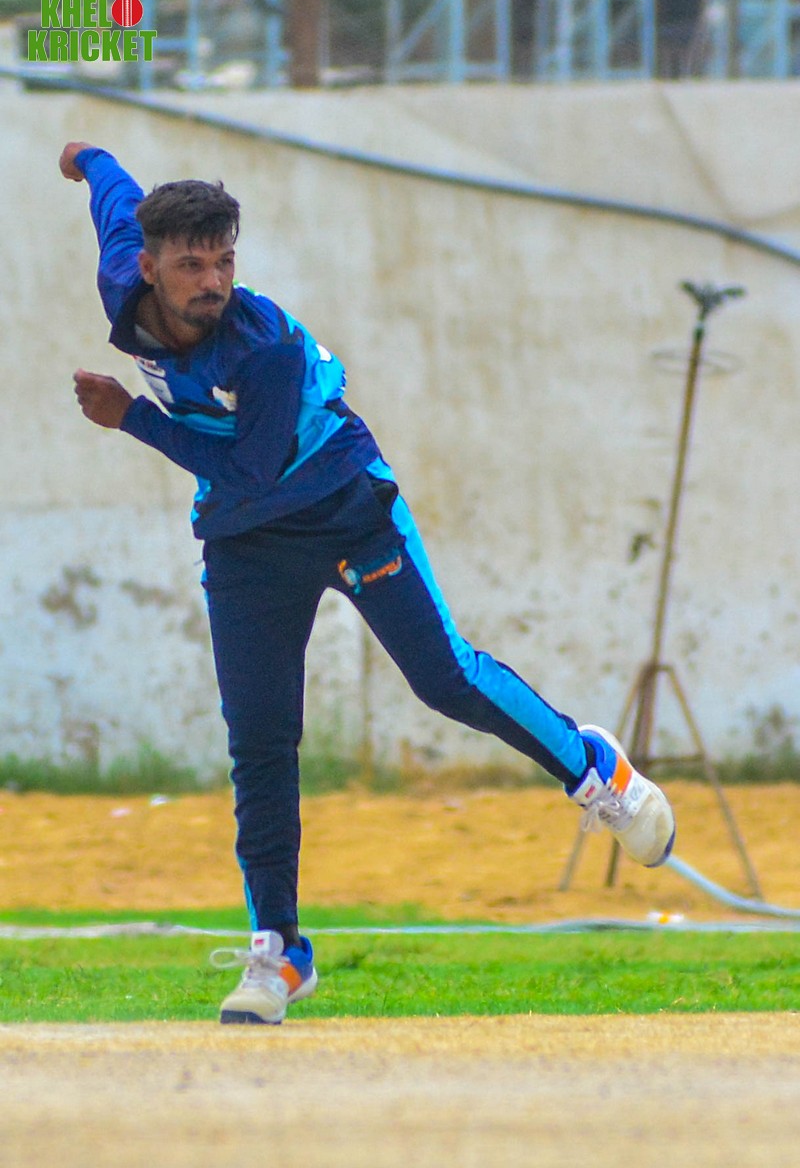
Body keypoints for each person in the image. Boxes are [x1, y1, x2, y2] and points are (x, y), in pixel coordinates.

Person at [60, 141, 676, 1025]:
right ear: (150, 268)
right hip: (247, 545)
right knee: (260, 740)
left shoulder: (263, 346)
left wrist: (132, 418)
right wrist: (88, 157)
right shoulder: (124, 274)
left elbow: (250, 469)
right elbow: (116, 202)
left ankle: (593, 769)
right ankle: (280, 953)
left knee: (445, 679)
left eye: (224, 260)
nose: (212, 281)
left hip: (346, 506)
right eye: (191, 264)